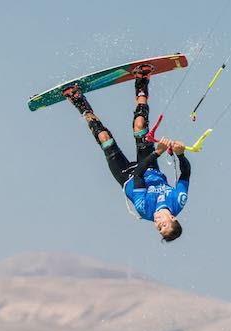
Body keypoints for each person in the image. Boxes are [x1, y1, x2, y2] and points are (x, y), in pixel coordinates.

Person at [62, 65, 192, 241]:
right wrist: (181, 153)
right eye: (163, 225)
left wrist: (158, 153)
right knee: (139, 126)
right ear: (173, 218)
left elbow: (138, 174)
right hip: (151, 169)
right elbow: (185, 173)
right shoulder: (178, 201)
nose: (157, 223)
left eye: (158, 229)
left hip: (127, 176)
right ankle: (142, 81)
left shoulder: (144, 209)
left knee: (104, 138)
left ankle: (79, 101)